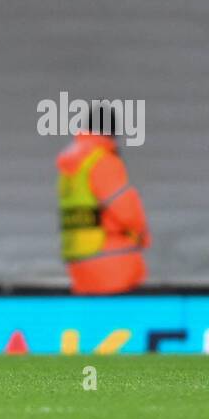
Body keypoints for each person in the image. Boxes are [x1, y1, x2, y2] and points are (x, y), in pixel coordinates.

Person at [56, 112, 150, 295]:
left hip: (80, 267)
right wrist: (143, 235)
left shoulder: (72, 167)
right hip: (114, 265)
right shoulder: (101, 161)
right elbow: (126, 210)